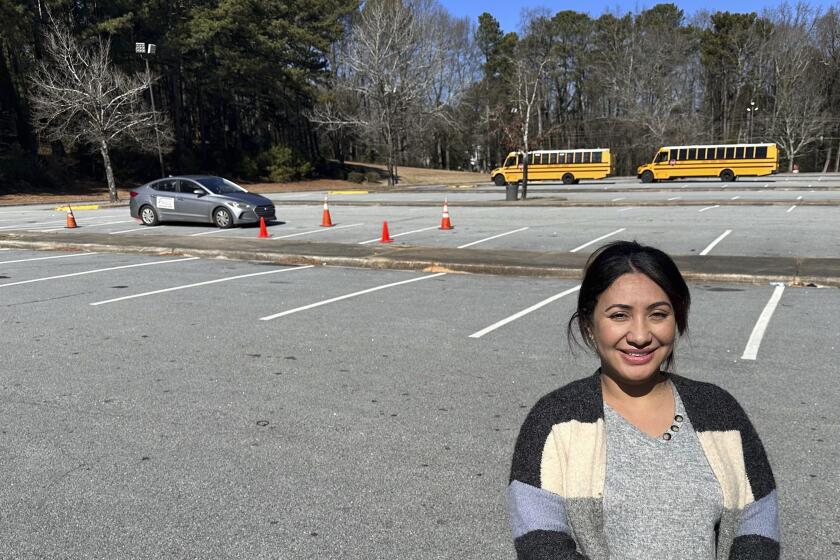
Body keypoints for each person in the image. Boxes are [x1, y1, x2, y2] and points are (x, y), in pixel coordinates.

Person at [507, 241, 779, 560]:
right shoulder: (554, 419)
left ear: (676, 319)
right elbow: (540, 542)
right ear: (589, 326)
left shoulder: (719, 411)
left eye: (658, 314)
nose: (639, 335)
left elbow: (758, 522)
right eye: (619, 315)